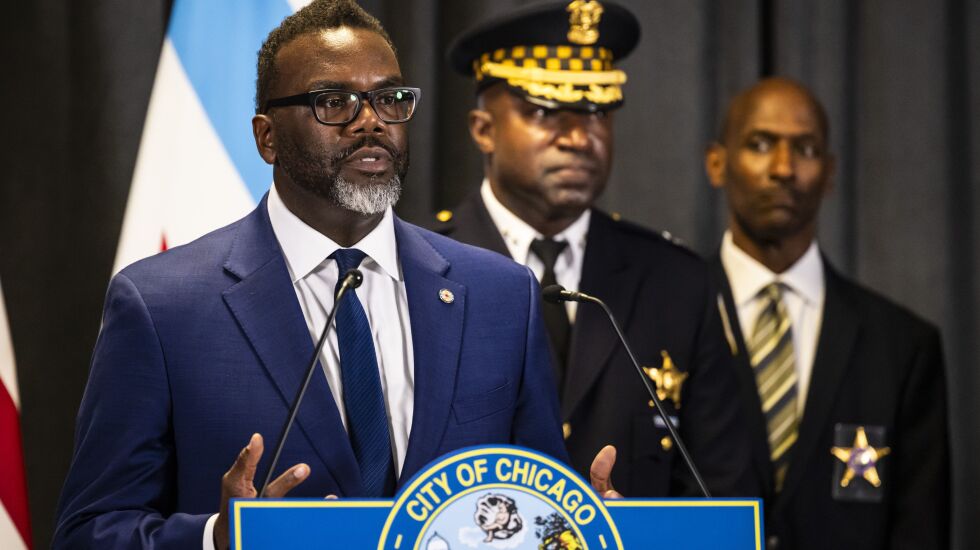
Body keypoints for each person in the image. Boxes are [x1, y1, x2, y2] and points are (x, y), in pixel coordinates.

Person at [51, 2, 601, 548]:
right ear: (267, 137)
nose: (371, 121)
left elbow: (539, 512)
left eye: (389, 99)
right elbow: (89, 531)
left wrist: (586, 523)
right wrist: (221, 536)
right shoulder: (162, 305)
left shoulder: (501, 295)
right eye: (334, 102)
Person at [437, 0, 756, 497]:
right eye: (544, 112)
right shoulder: (421, 269)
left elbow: (721, 492)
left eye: (596, 112)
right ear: (484, 130)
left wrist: (638, 528)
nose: (578, 138)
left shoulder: (676, 283)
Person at [704, 77, 950, 549]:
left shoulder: (902, 346)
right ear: (717, 163)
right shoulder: (667, 318)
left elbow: (921, 530)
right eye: (760, 145)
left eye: (806, 149)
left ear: (831, 172)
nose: (783, 168)